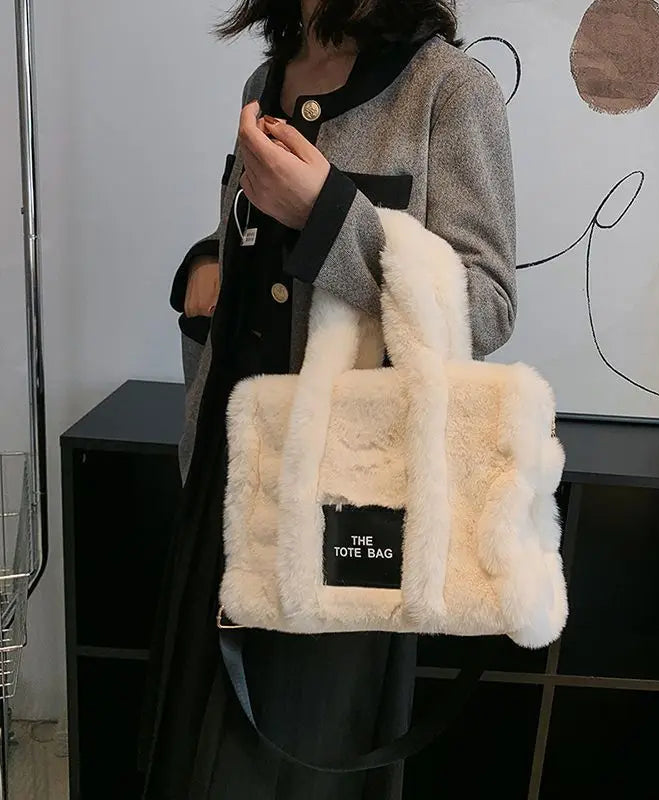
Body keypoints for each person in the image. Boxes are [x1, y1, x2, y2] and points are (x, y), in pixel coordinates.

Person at [140, 0, 517, 797]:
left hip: (345, 506)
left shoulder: (450, 90)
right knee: (191, 751)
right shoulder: (266, 80)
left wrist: (327, 214)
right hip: (229, 481)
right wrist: (208, 262)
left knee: (298, 762)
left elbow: (485, 308)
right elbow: (254, 245)